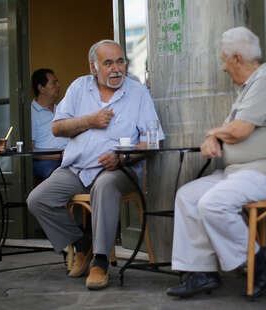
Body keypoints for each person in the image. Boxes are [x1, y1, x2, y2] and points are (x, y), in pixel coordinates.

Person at [166, 27, 266, 299]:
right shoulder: (248, 89)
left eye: (224, 59)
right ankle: (202, 272)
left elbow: (239, 130)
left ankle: (257, 257)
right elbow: (230, 130)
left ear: (237, 59)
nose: (224, 67)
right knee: (187, 196)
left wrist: (213, 134)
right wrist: (215, 137)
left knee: (212, 203)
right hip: (241, 173)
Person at [27, 40, 164, 290]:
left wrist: (122, 158)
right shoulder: (79, 87)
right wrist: (90, 120)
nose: (116, 69)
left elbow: (152, 142)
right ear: (94, 67)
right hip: (77, 167)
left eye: (120, 61)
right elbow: (57, 127)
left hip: (119, 170)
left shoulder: (137, 93)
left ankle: (100, 262)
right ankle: (81, 243)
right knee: (38, 199)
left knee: (104, 185)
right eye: (108, 63)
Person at [31, 68, 69, 180]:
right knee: (59, 177)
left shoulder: (62, 110)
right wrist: (57, 156)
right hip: (47, 162)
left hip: (68, 158)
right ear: (41, 88)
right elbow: (31, 149)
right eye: (54, 83)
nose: (58, 85)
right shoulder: (31, 113)